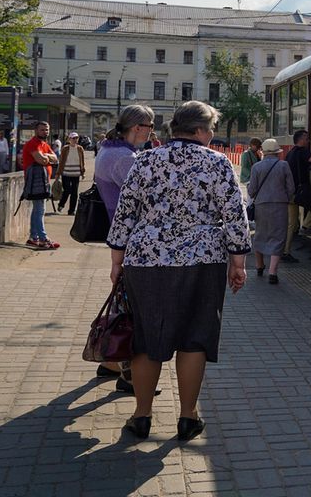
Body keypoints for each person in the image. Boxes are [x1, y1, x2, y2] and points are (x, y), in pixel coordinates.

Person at [107, 100, 251, 441]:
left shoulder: (145, 161)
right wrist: (239, 262)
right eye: (211, 129)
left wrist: (116, 261)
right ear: (200, 130)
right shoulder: (217, 163)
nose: (212, 135)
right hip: (202, 260)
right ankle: (188, 418)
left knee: (146, 338)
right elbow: (234, 214)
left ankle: (141, 416)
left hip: (146, 259)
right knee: (194, 338)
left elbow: (125, 211)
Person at [93, 104, 155, 393]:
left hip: (120, 234)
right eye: (150, 126)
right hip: (133, 238)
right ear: (137, 127)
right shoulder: (124, 158)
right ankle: (130, 373)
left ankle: (111, 359)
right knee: (135, 304)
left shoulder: (110, 149)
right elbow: (147, 197)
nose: (151, 132)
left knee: (123, 298)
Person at [247, 138, 294, 284]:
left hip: (261, 205)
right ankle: (273, 272)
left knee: (260, 233)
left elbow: (251, 190)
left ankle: (259, 265)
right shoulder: (284, 165)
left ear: (264, 152)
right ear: (277, 153)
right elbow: (291, 187)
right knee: (278, 235)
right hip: (280, 205)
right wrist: (284, 197)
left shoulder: (257, 167)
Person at [284, 129, 311, 262]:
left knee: (291, 225)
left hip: (290, 193)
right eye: (307, 138)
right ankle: (306, 227)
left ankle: (285, 251)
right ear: (301, 140)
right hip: (301, 192)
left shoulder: (290, 153)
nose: (309, 140)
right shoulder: (303, 152)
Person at [21, 121, 60, 250]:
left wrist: (46, 156)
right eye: (42, 130)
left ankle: (33, 237)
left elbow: (55, 158)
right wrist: (47, 158)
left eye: (47, 130)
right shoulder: (32, 143)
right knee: (40, 210)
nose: (45, 132)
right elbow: (41, 160)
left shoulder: (44, 144)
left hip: (43, 182)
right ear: (36, 131)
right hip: (35, 183)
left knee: (37, 210)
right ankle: (43, 239)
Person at [56, 132, 85, 216]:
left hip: (76, 173)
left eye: (76, 138)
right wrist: (58, 173)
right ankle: (61, 204)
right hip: (66, 173)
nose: (75, 140)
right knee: (67, 190)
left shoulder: (80, 148)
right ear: (69, 139)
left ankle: (71, 210)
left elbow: (82, 161)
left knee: (74, 193)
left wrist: (82, 172)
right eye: (73, 138)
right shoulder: (65, 148)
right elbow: (61, 161)